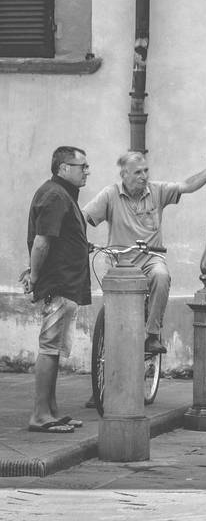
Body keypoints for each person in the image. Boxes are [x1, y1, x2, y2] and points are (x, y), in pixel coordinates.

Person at [83, 151, 206, 355]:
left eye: (146, 171)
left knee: (161, 276)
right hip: (120, 262)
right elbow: (83, 217)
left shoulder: (156, 191)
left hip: (151, 258)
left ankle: (152, 335)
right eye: (138, 172)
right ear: (124, 175)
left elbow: (187, 186)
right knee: (117, 310)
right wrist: (82, 242)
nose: (144, 176)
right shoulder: (110, 194)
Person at [22, 146, 92, 433]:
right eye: (81, 166)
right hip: (58, 283)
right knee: (49, 349)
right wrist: (35, 277)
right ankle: (40, 415)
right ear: (63, 168)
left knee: (55, 349)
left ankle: (51, 411)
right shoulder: (55, 195)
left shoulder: (63, 195)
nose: (87, 170)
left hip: (67, 284)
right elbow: (42, 242)